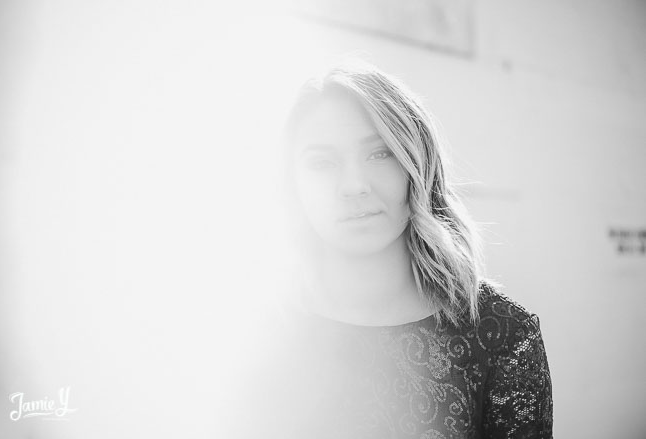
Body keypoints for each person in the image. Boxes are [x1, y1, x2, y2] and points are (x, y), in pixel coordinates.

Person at [228, 60, 553, 439]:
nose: (354, 185)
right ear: (291, 183)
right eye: (322, 162)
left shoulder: (501, 335)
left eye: (380, 153)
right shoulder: (248, 334)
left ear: (419, 164)